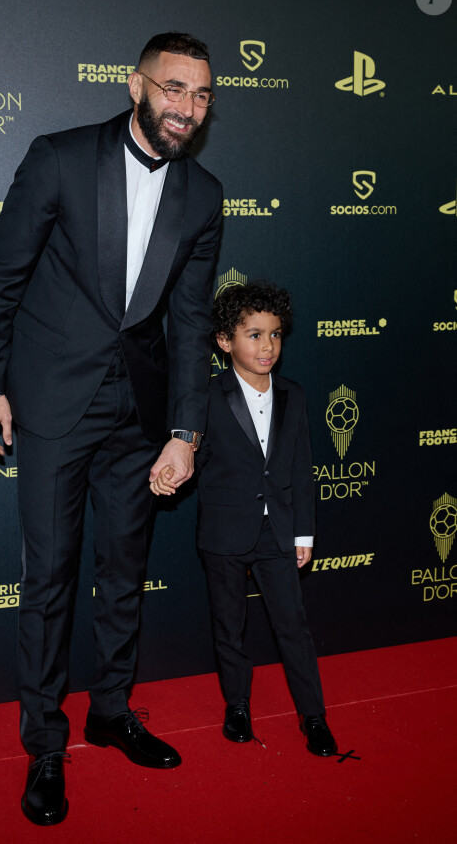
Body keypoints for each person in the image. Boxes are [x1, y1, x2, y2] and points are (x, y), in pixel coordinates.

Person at [0, 32, 222, 826]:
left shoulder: (205, 195)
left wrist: (185, 431)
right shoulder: (59, 158)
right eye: (174, 89)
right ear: (135, 85)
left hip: (139, 413)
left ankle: (111, 711)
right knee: (48, 578)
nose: (187, 107)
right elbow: (1, 277)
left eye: (203, 95)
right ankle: (46, 741)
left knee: (125, 569)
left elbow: (188, 325)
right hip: (51, 401)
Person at [152, 281, 337, 757]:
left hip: (277, 532)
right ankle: (237, 706)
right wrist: (173, 469)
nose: (267, 346)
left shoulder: (294, 395)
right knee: (228, 626)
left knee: (292, 627)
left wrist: (303, 531)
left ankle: (312, 715)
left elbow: (300, 468)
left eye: (275, 334)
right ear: (223, 341)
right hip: (222, 533)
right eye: (253, 335)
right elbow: (192, 453)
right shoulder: (206, 397)